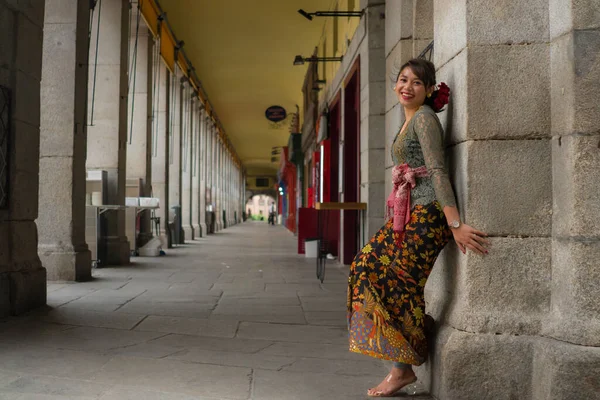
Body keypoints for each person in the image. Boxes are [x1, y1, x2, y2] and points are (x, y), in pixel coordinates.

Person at [347, 58, 490, 397]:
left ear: (428, 90)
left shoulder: (424, 119)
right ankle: (410, 344)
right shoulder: (410, 118)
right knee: (365, 267)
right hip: (410, 213)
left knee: (399, 281)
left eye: (416, 82)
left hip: (427, 216)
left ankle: (403, 368)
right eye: (402, 80)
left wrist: (454, 224)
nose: (406, 87)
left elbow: (438, 171)